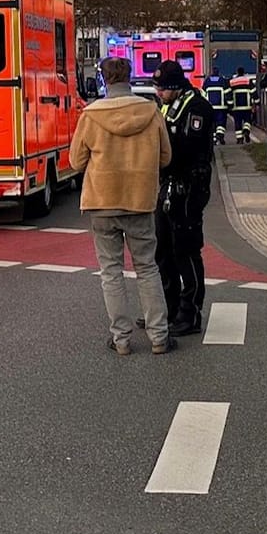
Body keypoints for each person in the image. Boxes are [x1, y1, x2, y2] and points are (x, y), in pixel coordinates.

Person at [69, 56, 175, 356]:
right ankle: (158, 336)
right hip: (140, 200)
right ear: (130, 78)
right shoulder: (151, 111)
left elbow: (76, 162)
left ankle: (121, 339)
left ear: (104, 80)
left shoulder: (90, 115)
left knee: (111, 272)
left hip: (102, 201)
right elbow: (166, 157)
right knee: (147, 268)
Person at [154, 60, 212, 337]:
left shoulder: (197, 107)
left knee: (185, 249)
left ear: (176, 87)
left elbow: (189, 146)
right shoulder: (167, 105)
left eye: (162, 88)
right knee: (162, 249)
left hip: (189, 185)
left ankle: (190, 313)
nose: (158, 93)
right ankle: (171, 307)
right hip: (167, 182)